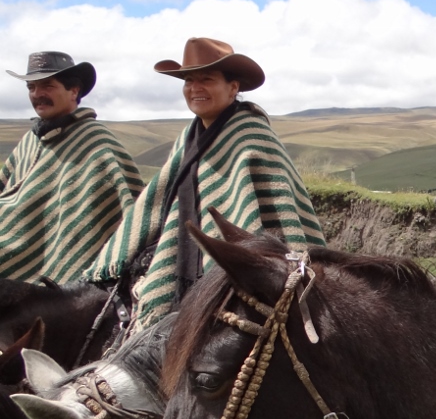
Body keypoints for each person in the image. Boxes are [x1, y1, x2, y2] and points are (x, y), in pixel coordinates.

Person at [87, 38, 325, 331]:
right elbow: (163, 202)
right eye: (188, 80)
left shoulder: (251, 136)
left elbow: (266, 212)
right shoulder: (188, 137)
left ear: (233, 87)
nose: (194, 88)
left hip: (249, 281)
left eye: (207, 79)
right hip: (186, 264)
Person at [0, 51, 144, 284]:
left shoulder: (95, 141)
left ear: (74, 91)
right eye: (31, 88)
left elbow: (128, 206)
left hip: (63, 271)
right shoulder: (31, 140)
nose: (38, 94)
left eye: (47, 86)